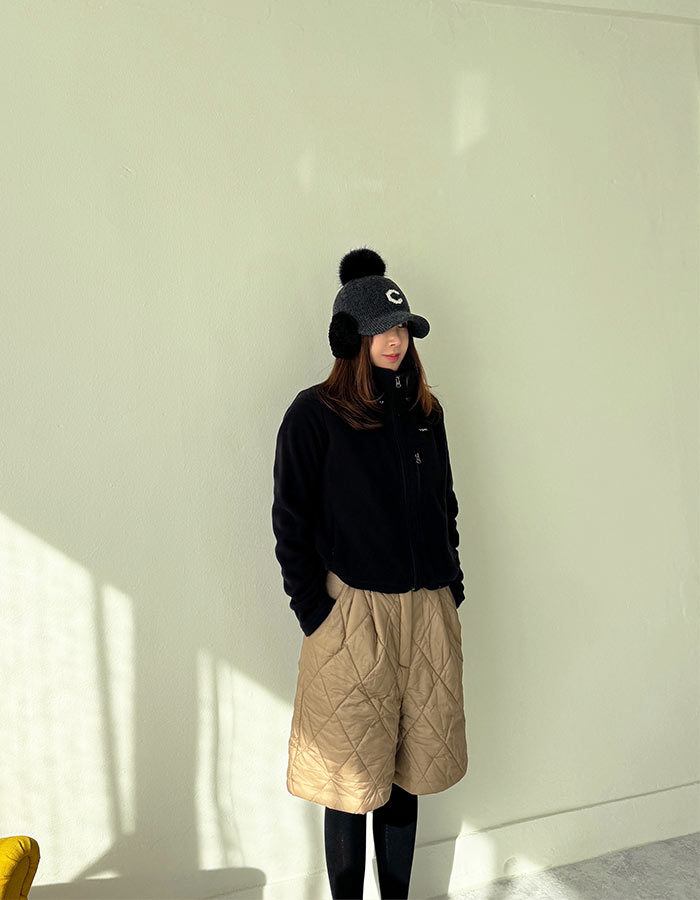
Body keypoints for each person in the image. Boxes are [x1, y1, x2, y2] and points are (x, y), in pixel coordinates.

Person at [272, 247, 468, 899]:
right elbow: (290, 519)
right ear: (349, 336)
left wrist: (451, 585)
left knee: (409, 778)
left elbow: (445, 502)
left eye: (403, 327)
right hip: (353, 620)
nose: (396, 340)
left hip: (427, 615)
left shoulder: (426, 415)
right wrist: (316, 612)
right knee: (350, 784)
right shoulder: (313, 415)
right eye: (383, 329)